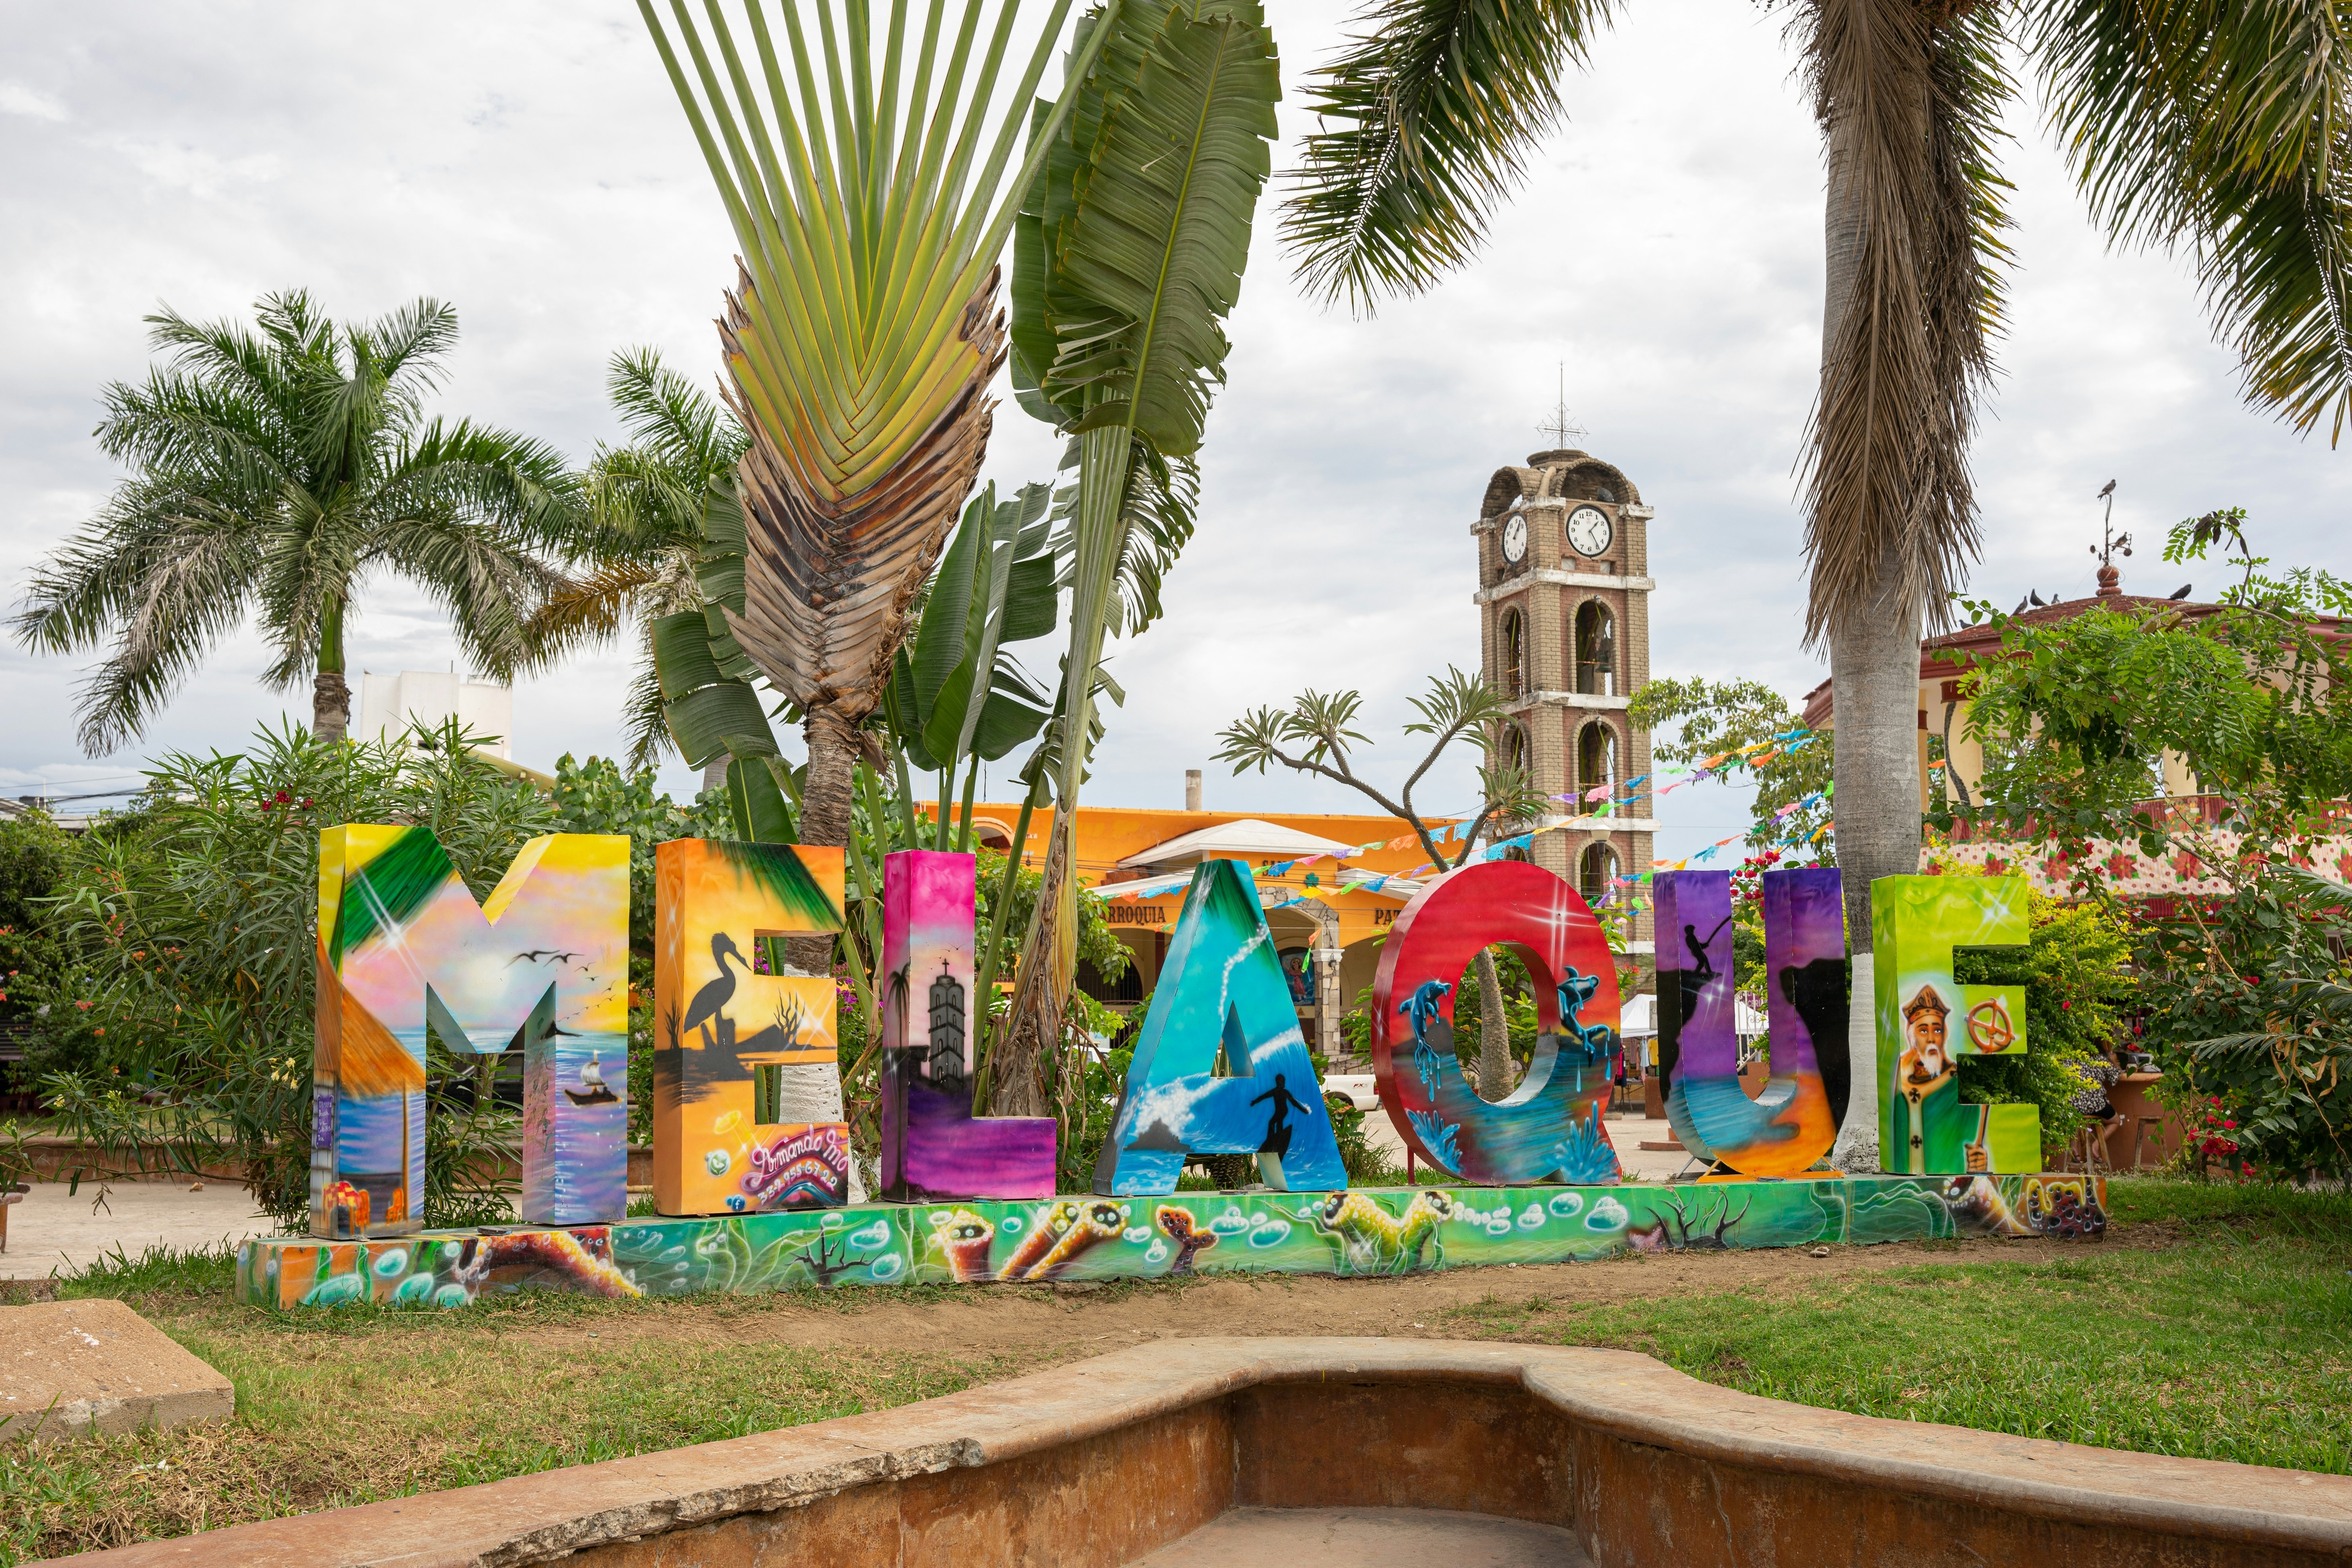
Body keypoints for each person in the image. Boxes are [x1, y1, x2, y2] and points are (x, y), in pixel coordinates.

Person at [2069, 1043, 2127, 1168]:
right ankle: (2096, 1147)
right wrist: (2114, 1061)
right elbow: (2115, 1078)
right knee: (2116, 1120)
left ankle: (2075, 1148)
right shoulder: (2100, 1059)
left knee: (2076, 1117)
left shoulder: (2071, 1058)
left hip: (2074, 1104)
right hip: (2096, 1105)